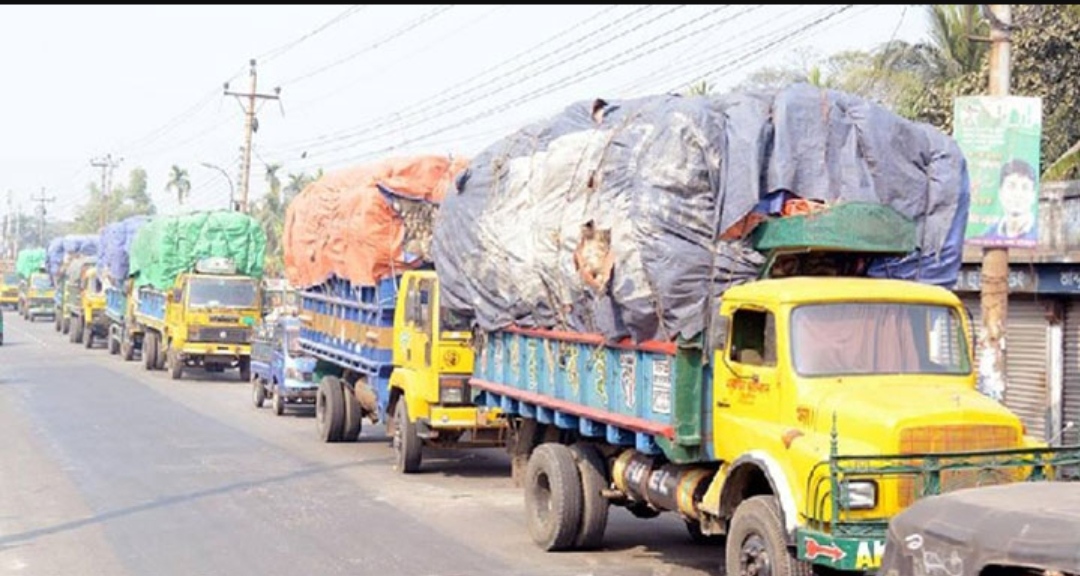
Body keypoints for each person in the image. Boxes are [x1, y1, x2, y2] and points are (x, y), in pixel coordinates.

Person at [980, 158, 1038, 242]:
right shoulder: (988, 236)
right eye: (1011, 186)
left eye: (1025, 187)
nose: (1018, 194)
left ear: (1033, 195)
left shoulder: (1042, 234)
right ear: (1000, 192)